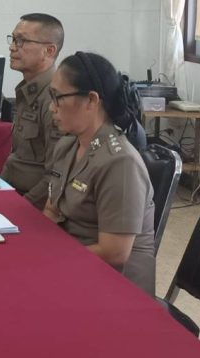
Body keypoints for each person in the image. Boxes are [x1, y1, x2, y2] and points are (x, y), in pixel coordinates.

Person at [43, 51, 156, 293]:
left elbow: (114, 253)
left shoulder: (120, 163)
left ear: (91, 100)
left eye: (57, 98)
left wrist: (52, 261)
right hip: (72, 265)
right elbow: (51, 210)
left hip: (113, 286)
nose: (52, 108)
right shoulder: (67, 146)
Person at [0, 14, 65, 210]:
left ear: (49, 50)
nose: (12, 47)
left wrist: (21, 208)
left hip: (34, 204)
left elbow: (57, 175)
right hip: (13, 192)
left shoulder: (54, 98)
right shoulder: (28, 91)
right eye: (13, 39)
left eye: (22, 41)